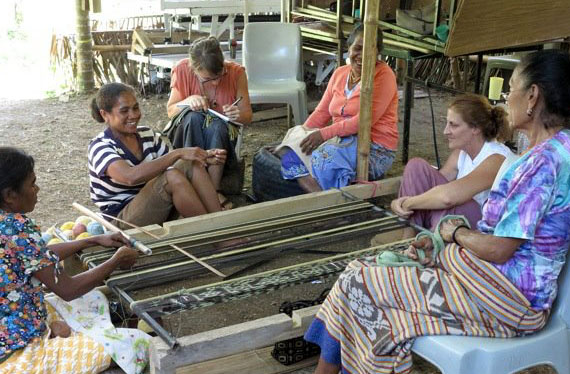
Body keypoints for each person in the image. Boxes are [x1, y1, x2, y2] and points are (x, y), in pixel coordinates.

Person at [267, 49, 570, 374]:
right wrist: (441, 241)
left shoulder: (545, 164)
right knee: (368, 270)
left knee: (362, 278)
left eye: (512, 88)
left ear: (533, 96)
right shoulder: (551, 153)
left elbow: (500, 249)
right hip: (490, 282)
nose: (507, 97)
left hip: (506, 300)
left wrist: (455, 234)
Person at [0, 147, 139, 374]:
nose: (37, 189)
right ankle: (64, 341)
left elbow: (37, 259)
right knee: (132, 345)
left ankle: (61, 334)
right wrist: (116, 260)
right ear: (10, 194)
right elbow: (68, 289)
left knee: (91, 300)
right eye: (32, 183)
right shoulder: (17, 227)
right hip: (13, 364)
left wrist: (90, 240)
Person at [278, 24, 398, 192]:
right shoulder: (340, 73)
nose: (362, 56)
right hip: (340, 140)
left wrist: (322, 134)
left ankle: (328, 201)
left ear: (378, 53)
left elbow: (363, 122)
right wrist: (298, 138)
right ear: (349, 48)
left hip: (374, 147)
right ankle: (320, 194)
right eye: (357, 48)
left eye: (369, 50)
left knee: (324, 159)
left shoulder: (384, 76)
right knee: (288, 151)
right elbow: (321, 112)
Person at [89, 82, 224, 229]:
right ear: (105, 114)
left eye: (135, 107)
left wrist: (203, 156)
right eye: (124, 111)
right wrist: (178, 153)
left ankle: (220, 225)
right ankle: (214, 235)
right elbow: (130, 177)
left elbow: (174, 165)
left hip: (155, 207)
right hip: (121, 222)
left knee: (190, 163)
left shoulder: (146, 134)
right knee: (171, 177)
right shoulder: (100, 146)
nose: (133, 115)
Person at [390, 93, 514, 232]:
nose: (445, 131)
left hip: (480, 228)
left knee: (451, 203)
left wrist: (407, 203)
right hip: (458, 217)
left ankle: (428, 243)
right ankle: (409, 240)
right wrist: (404, 203)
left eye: (453, 125)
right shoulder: (461, 153)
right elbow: (431, 188)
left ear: (476, 128)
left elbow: (448, 197)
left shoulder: (497, 158)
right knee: (416, 167)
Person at [166, 36, 253, 200]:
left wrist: (238, 115)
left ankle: (213, 190)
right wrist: (187, 101)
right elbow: (171, 111)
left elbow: (248, 116)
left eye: (219, 75)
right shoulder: (182, 70)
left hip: (221, 139)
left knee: (218, 126)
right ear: (193, 69)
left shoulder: (236, 72)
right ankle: (192, 180)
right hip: (187, 136)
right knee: (193, 118)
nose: (215, 83)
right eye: (207, 79)